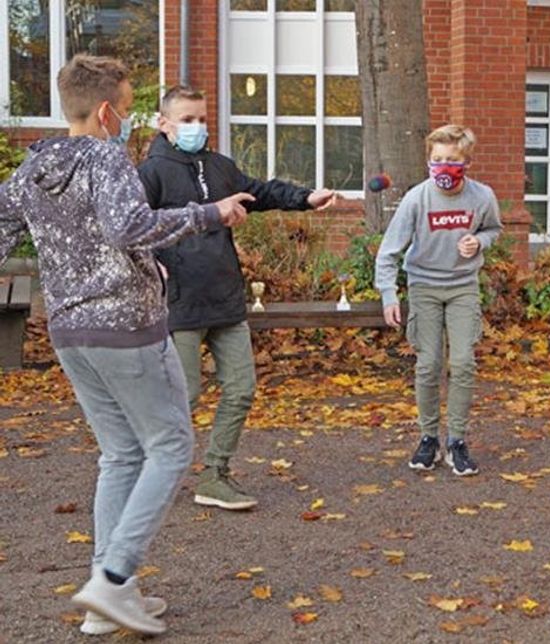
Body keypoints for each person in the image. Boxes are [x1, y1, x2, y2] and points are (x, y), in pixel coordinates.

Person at [0, 55, 251, 635]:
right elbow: (128, 226)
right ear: (108, 111)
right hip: (125, 329)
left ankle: (109, 603)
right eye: (131, 107)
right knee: (169, 447)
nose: (132, 119)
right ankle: (112, 579)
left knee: (120, 453)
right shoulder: (106, 155)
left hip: (69, 332)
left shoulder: (32, 169)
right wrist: (209, 212)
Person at [137, 86, 336, 511]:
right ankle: (143, 471)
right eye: (187, 119)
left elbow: (259, 192)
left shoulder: (220, 166)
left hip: (226, 298)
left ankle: (215, 475)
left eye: (202, 119)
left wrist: (306, 198)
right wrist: (152, 264)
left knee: (242, 388)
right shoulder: (150, 172)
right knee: (183, 396)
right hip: (180, 303)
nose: (197, 127)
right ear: (163, 122)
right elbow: (134, 230)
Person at [375, 124, 502, 476]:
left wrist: (480, 242)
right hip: (424, 287)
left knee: (462, 363)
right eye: (437, 160)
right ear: (429, 161)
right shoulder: (418, 198)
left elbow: (493, 229)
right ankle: (428, 437)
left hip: (463, 286)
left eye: (452, 160)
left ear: (466, 162)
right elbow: (388, 252)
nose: (443, 167)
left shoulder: (482, 197)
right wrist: (389, 294)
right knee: (428, 364)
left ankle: (457, 441)